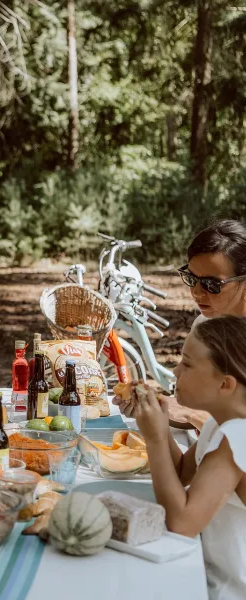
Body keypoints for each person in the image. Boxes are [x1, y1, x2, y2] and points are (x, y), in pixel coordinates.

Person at [131, 316, 246, 600]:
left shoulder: (238, 436)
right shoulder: (221, 424)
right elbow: (182, 471)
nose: (175, 371)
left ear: (225, 384)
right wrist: (159, 424)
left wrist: (156, 439)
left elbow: (181, 524)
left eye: (187, 364)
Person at [115, 219, 246, 429]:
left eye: (212, 284)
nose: (196, 292)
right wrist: (155, 406)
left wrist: (191, 414)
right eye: (191, 278)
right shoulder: (204, 324)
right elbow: (195, 413)